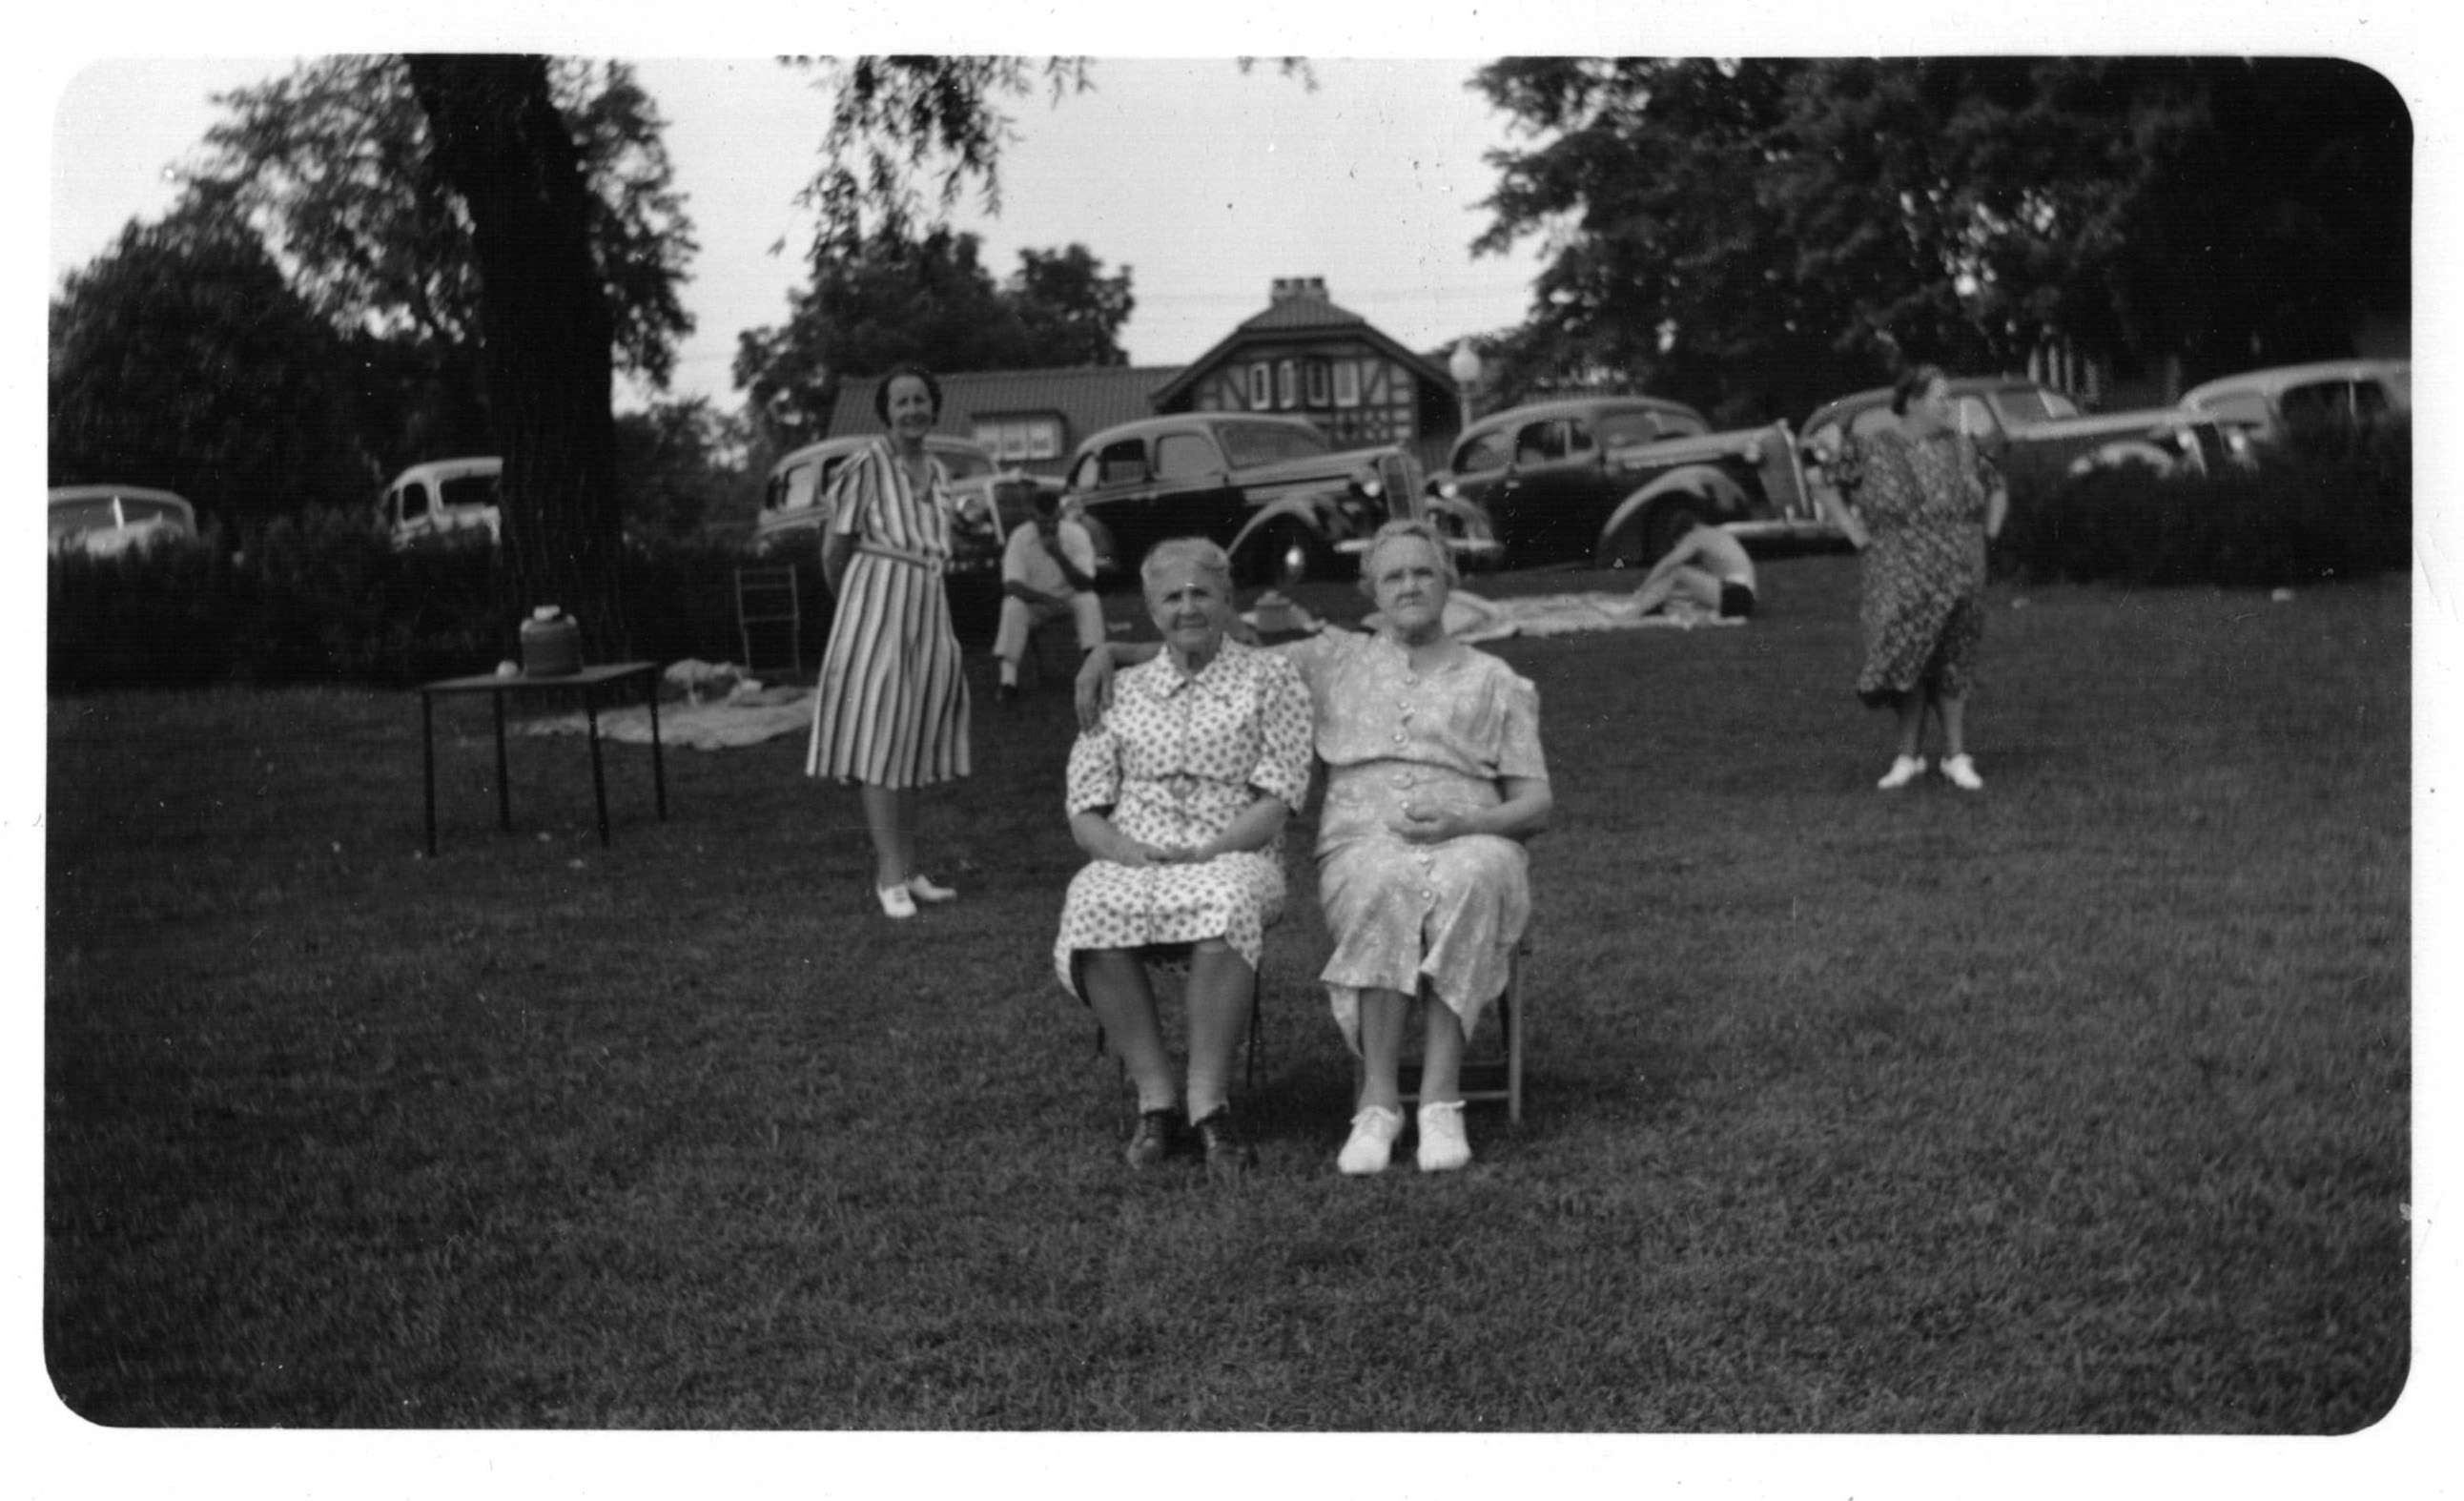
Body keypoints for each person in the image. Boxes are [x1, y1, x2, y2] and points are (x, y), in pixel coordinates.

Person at [1078, 519, 1553, 1175]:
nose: (1410, 586)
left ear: (1449, 583)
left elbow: (1536, 803)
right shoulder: (1333, 659)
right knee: (1383, 880)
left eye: (1424, 572)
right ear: (1371, 592)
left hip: (1471, 827)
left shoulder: (1495, 678)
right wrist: (1110, 651)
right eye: (1394, 576)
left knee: (1473, 874)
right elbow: (1215, 647)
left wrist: (1466, 824)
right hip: (1363, 833)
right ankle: (1379, 1103)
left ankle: (1441, 1100)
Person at [1054, 537, 1314, 1177]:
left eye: (1202, 593)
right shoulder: (1121, 688)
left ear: (1228, 599)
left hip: (1234, 850)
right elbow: (1084, 808)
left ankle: (1208, 1105)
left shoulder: (1271, 677)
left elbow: (1278, 797)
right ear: (1151, 611)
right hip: (1134, 854)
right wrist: (1125, 852)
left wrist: (1208, 851)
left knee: (1223, 901)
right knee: (1090, 902)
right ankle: (1156, 1101)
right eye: (1171, 597)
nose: (1188, 607)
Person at [808, 364, 973, 918]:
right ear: (886, 412)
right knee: (881, 738)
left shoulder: (941, 473)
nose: (912, 411)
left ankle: (908, 870)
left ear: (934, 407)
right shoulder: (865, 465)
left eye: (920, 400)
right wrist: (857, 610)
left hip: (928, 608)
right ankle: (887, 876)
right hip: (876, 607)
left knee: (914, 737)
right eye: (901, 402)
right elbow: (834, 551)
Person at [1814, 364, 2007, 792]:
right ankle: (1908, 756)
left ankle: (1956, 756)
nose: (1948, 406)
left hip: (1959, 569)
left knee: (1954, 658)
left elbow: (1996, 487)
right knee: (1906, 658)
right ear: (1914, 401)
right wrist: (1854, 531)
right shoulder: (1870, 448)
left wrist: (1988, 537)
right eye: (1941, 397)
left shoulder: (1963, 447)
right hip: (1896, 569)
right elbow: (1825, 483)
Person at [993, 492, 1104, 701]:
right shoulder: (1020, 536)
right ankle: (1008, 681)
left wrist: (1058, 555)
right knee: (1012, 604)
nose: (1049, 527)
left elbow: (1086, 583)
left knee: (1089, 600)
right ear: (1032, 518)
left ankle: (1094, 671)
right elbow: (1011, 586)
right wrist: (1045, 600)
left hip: (1070, 598)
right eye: (1043, 522)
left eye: (1054, 521)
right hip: (1036, 602)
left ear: (1060, 515)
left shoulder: (1076, 533)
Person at [1627, 519, 1757, 619]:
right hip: (1745, 600)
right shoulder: (1718, 533)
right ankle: (1655, 606)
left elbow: (1667, 563)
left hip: (1736, 594)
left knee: (1677, 571)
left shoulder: (1696, 536)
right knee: (1678, 600)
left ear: (1683, 535)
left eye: (1679, 544)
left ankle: (1636, 611)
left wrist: (1643, 588)